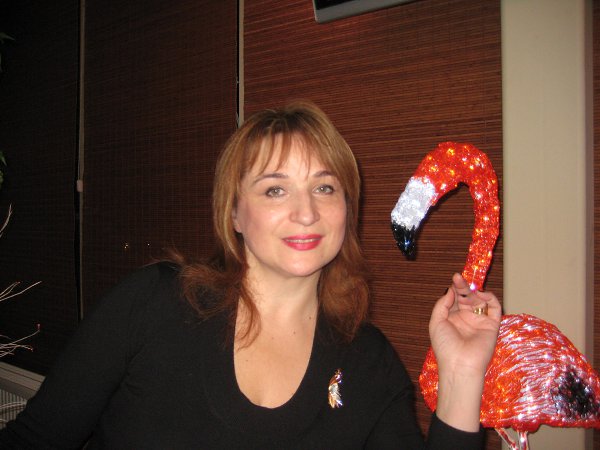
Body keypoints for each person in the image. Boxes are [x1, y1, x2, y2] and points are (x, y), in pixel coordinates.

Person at [0, 101, 501, 449]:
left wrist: (462, 374)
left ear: (347, 209)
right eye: (275, 190)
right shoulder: (153, 305)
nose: (306, 213)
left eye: (325, 188)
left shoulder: (368, 362)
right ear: (235, 213)